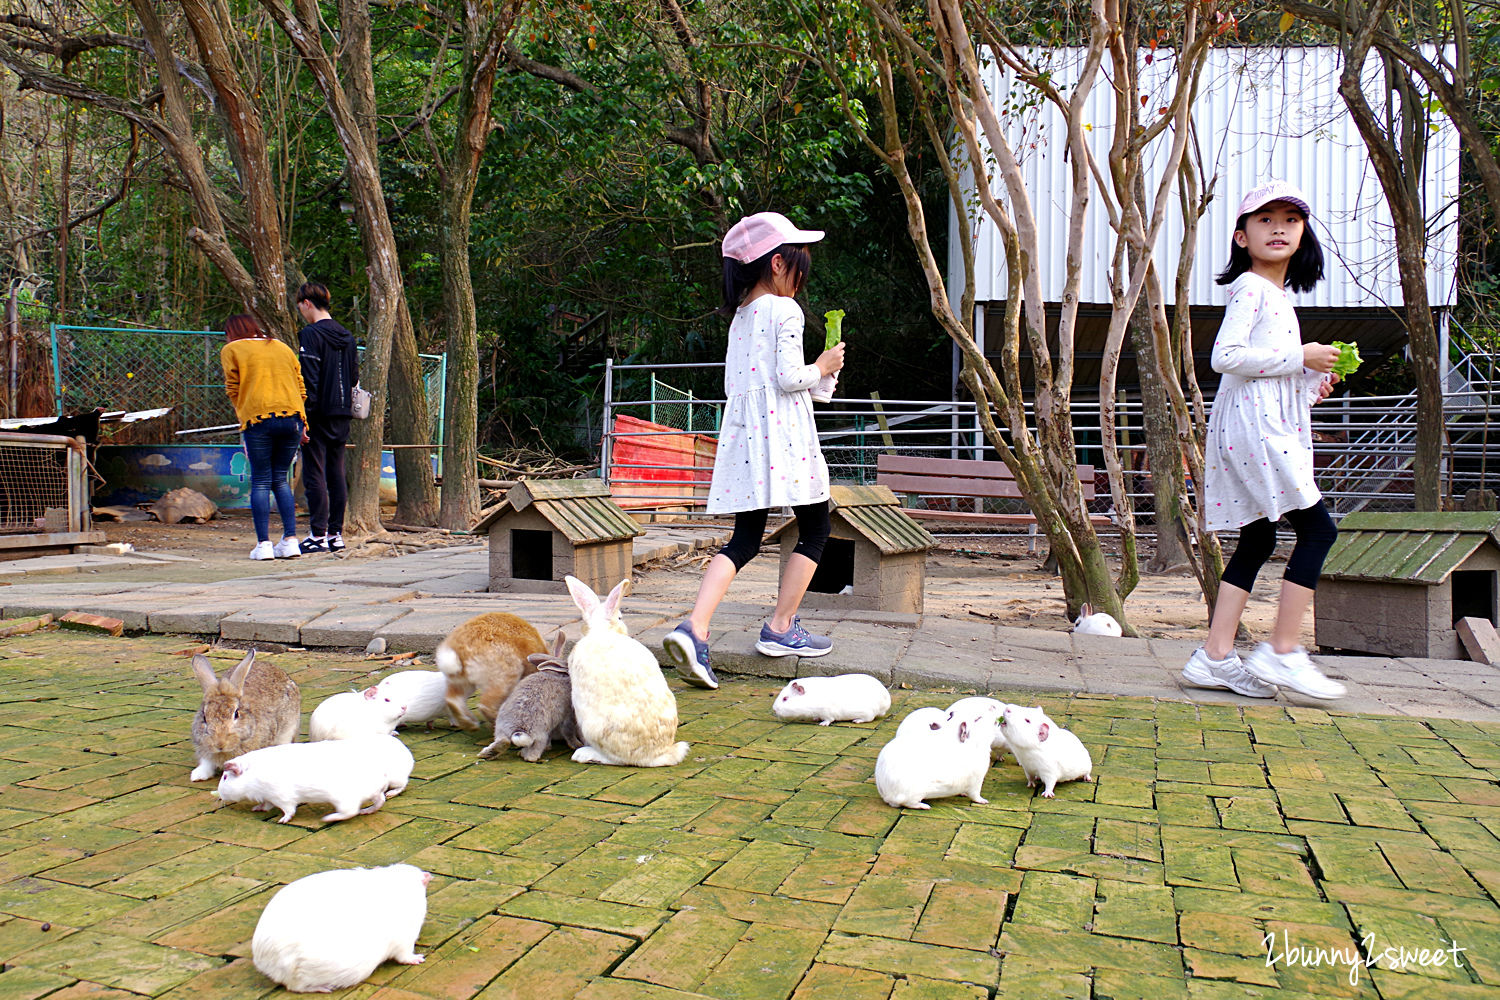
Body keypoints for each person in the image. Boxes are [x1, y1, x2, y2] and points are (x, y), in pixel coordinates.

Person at [661, 211, 846, 689]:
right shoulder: (785, 311)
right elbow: (789, 380)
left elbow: (763, 383)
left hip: (747, 441)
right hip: (785, 440)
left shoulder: (741, 318)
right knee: (817, 525)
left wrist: (822, 374)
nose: (802, 280)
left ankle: (695, 628)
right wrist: (823, 363)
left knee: (744, 539)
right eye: (800, 267)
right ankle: (781, 628)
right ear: (779, 263)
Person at [1180, 180, 1347, 701]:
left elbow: (1261, 373)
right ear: (1240, 236)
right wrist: (1302, 357)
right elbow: (1225, 358)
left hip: (1255, 424)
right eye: (1265, 219)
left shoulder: (1273, 295)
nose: (1279, 228)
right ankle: (1281, 648)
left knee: (1259, 539)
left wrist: (1309, 383)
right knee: (1318, 531)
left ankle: (1213, 656)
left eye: (1291, 220)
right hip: (1256, 430)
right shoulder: (1252, 288)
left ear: (1304, 235)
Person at [220, 314, 306, 561]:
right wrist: (304, 425)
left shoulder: (232, 349)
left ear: (232, 331)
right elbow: (300, 385)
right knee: (280, 478)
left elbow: (232, 388)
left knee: (260, 480)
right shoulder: (281, 346)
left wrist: (244, 416)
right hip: (293, 418)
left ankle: (264, 545)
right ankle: (290, 541)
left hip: (258, 419)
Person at [294, 281, 358, 553]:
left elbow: (309, 377)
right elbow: (354, 377)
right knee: (336, 471)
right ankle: (335, 534)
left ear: (307, 303)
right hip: (343, 412)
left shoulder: (310, 334)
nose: (301, 313)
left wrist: (304, 418)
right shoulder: (347, 336)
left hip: (318, 413)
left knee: (314, 472)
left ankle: (317, 535)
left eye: (300, 308)